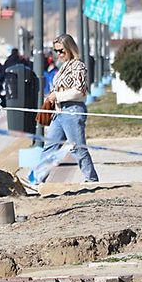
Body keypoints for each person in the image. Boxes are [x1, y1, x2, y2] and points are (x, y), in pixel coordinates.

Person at [24, 33, 99, 191]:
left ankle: (91, 178)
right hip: (59, 112)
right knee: (50, 147)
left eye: (61, 50)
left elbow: (80, 92)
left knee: (77, 147)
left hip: (72, 110)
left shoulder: (78, 66)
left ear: (70, 48)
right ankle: (35, 179)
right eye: (56, 51)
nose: (58, 54)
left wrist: (57, 95)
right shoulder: (63, 67)